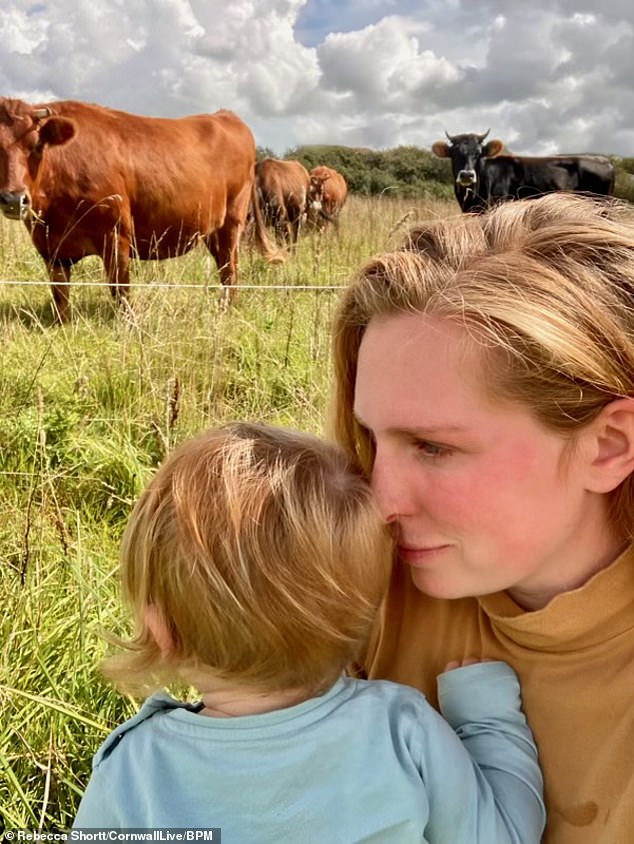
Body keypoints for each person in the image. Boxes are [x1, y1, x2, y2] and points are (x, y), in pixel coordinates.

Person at [73, 421, 545, 842]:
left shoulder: (133, 769)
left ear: (162, 632)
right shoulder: (400, 729)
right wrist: (486, 720)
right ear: (367, 611)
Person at [330, 192, 634, 844]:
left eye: (434, 447)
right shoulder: (355, 589)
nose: (381, 502)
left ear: (611, 446)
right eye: (373, 440)